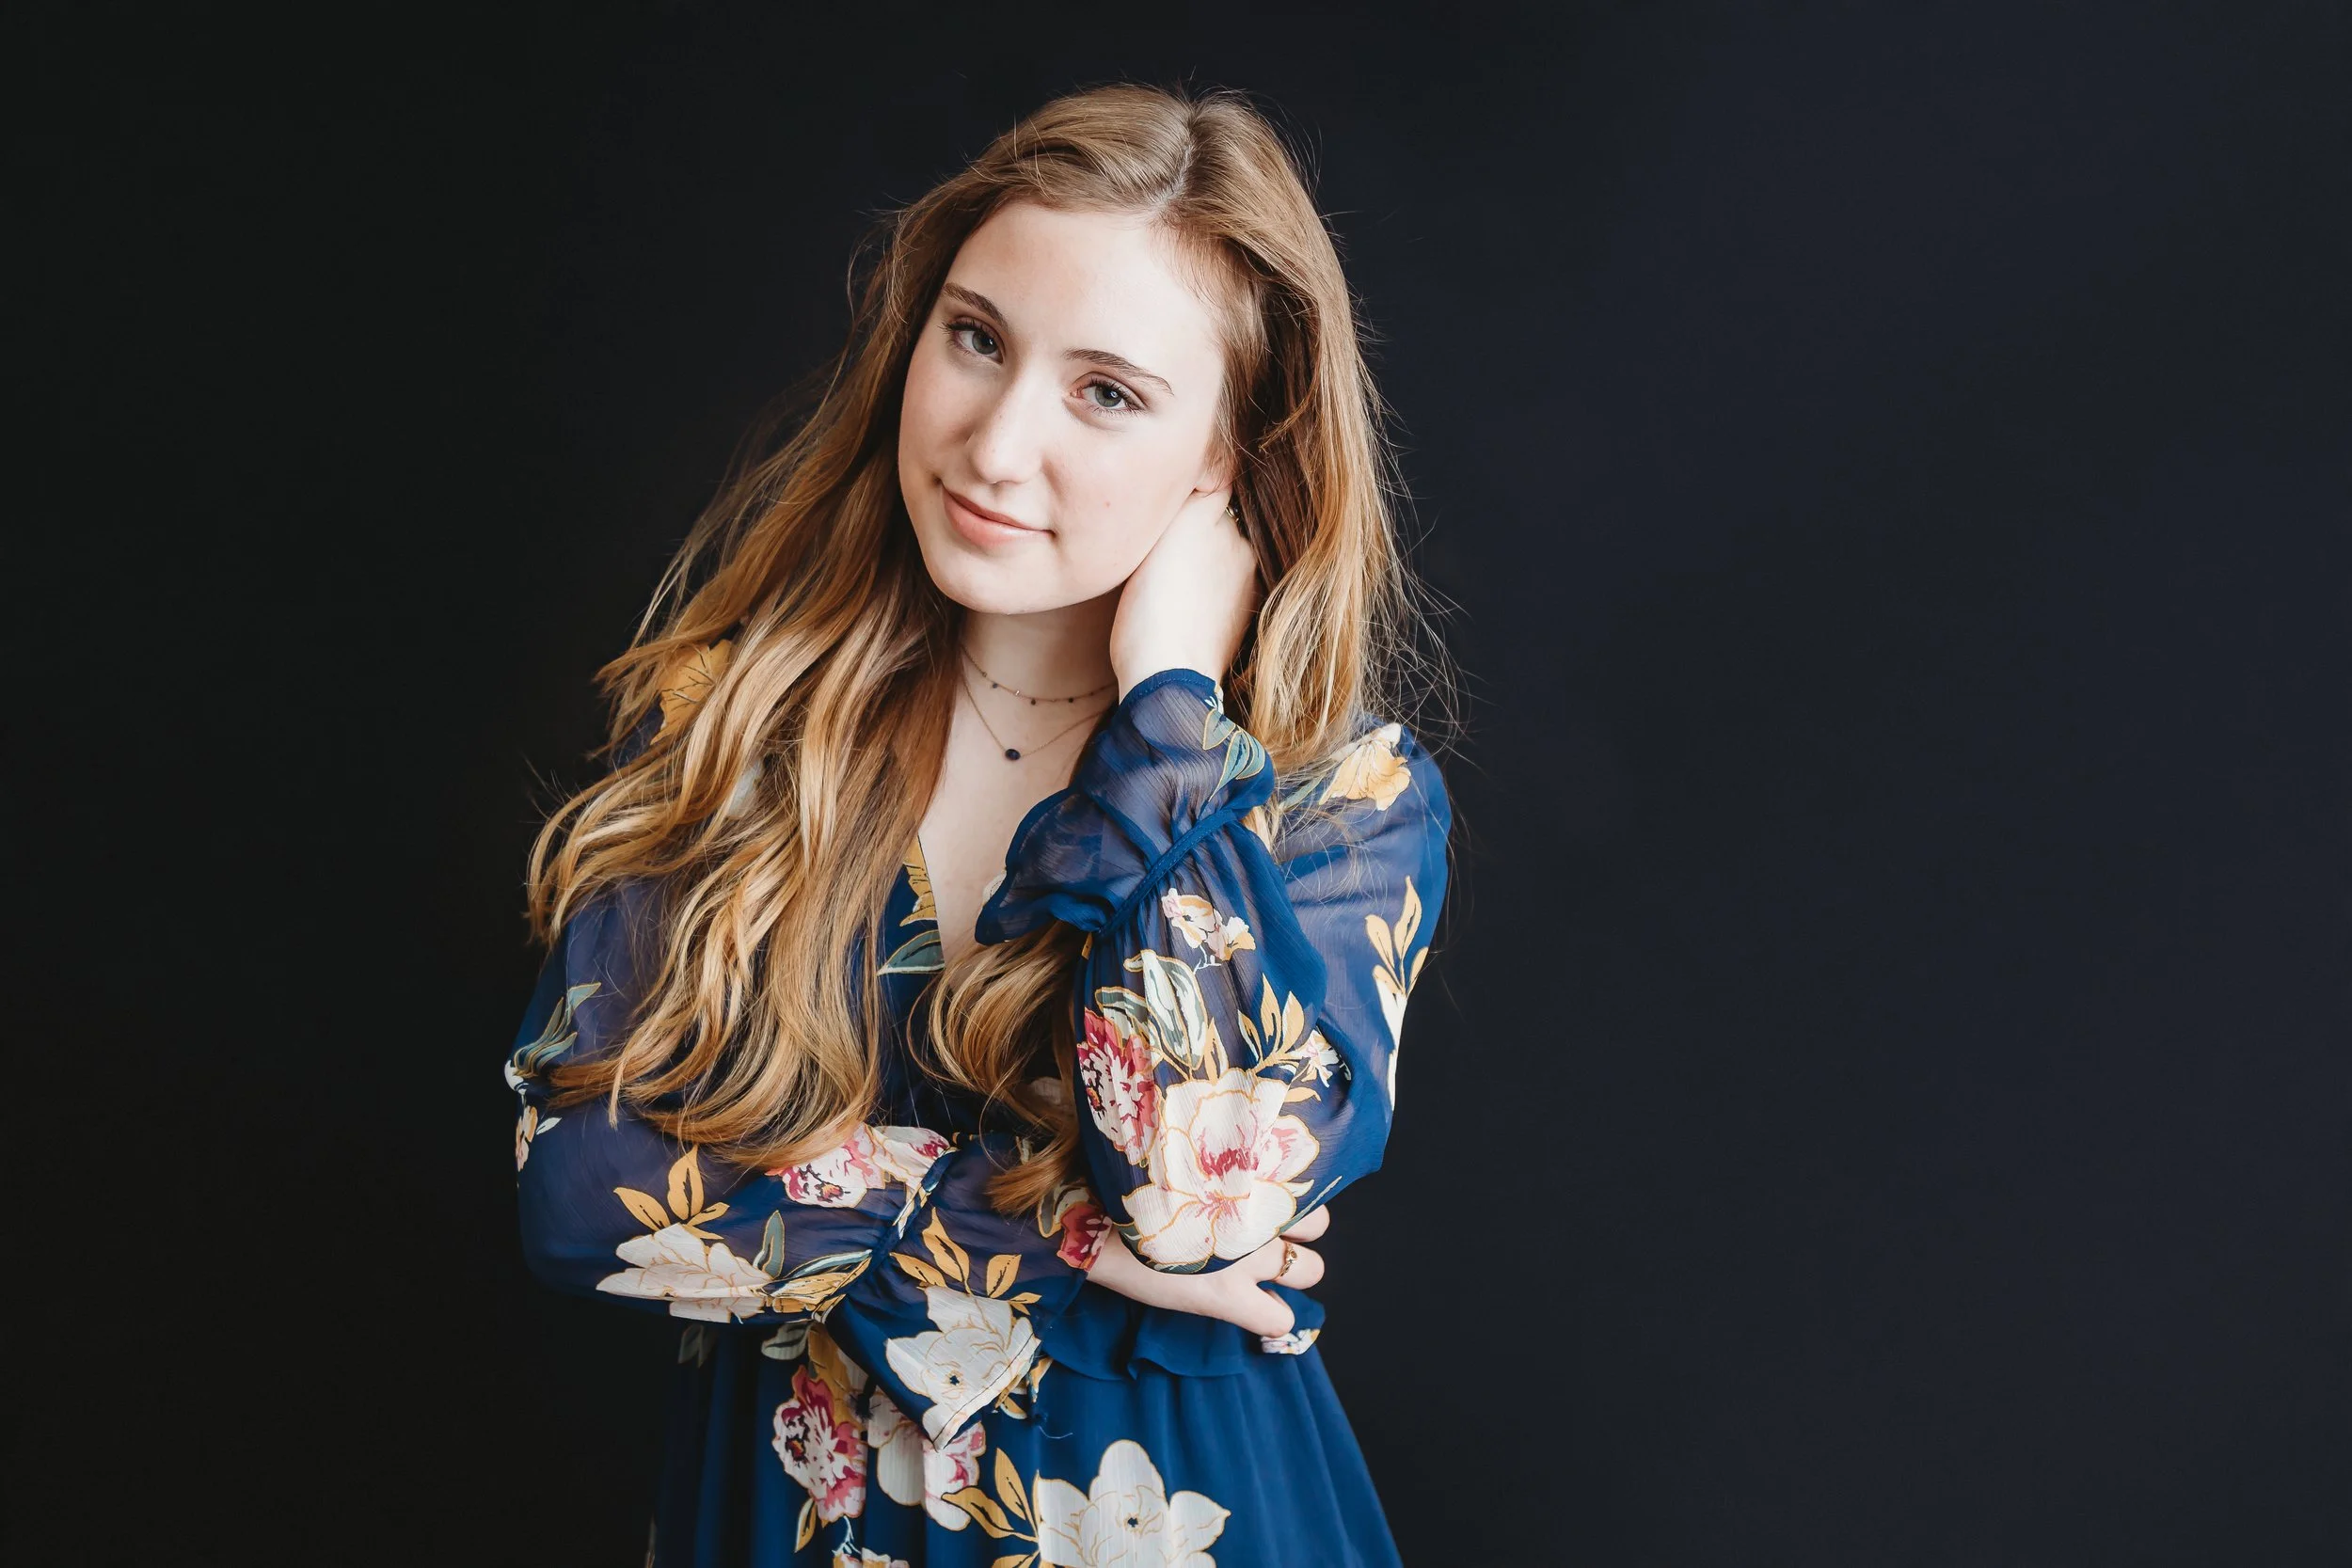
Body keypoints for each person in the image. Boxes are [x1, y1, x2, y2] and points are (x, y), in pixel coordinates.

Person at [506, 81, 1454, 1567]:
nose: (995, 442)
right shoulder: (735, 718)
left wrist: (1169, 712)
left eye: (1108, 390)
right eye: (976, 338)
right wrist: (1063, 1239)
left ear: (1227, 451)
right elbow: (581, 1191)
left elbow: (1198, 1208)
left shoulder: (1343, 801)